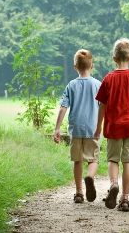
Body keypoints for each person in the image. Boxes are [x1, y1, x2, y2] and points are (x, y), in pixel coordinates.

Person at [94, 38, 129, 212]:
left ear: (114, 58)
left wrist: (98, 127)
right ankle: (124, 198)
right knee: (128, 160)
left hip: (113, 126)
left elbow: (102, 105)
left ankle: (114, 183)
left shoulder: (108, 79)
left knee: (113, 159)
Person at [53, 49, 101, 204]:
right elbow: (104, 106)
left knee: (77, 160)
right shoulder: (97, 85)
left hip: (76, 129)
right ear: (92, 65)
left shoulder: (71, 85)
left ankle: (79, 192)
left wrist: (57, 128)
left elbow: (63, 108)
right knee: (93, 159)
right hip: (93, 129)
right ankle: (90, 177)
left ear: (75, 67)